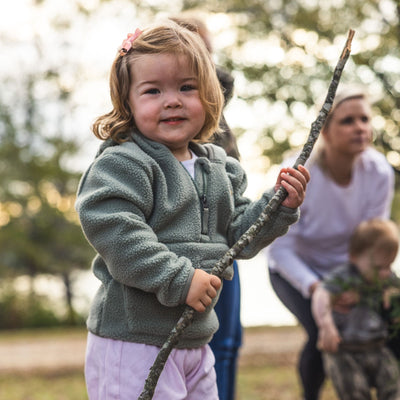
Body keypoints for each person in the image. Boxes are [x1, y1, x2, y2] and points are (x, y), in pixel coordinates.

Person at [76, 21, 310, 399]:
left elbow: (239, 237)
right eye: (153, 90)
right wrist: (179, 279)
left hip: (195, 341)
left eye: (187, 87)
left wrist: (277, 206)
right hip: (134, 340)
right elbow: (117, 233)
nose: (172, 100)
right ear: (128, 102)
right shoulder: (124, 164)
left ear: (210, 94)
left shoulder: (218, 165)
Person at [265, 87, 395, 400]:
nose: (360, 127)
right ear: (325, 129)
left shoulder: (379, 171)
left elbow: (372, 241)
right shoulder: (298, 172)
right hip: (296, 270)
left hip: (352, 269)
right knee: (319, 333)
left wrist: (365, 284)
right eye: (348, 121)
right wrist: (318, 288)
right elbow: (281, 249)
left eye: (365, 119)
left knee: (393, 324)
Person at [170, 15, 242, 400]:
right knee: (191, 343)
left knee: (227, 342)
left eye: (205, 51)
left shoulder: (214, 110)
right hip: (182, 250)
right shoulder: (167, 114)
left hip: (224, 240)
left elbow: (225, 82)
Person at [311, 218, 400, 400]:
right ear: (354, 256)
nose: (385, 273)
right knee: (354, 392)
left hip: (377, 346)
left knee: (394, 387)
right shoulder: (344, 277)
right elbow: (321, 295)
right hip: (344, 350)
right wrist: (326, 326)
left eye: (389, 265)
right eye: (378, 267)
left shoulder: (388, 279)